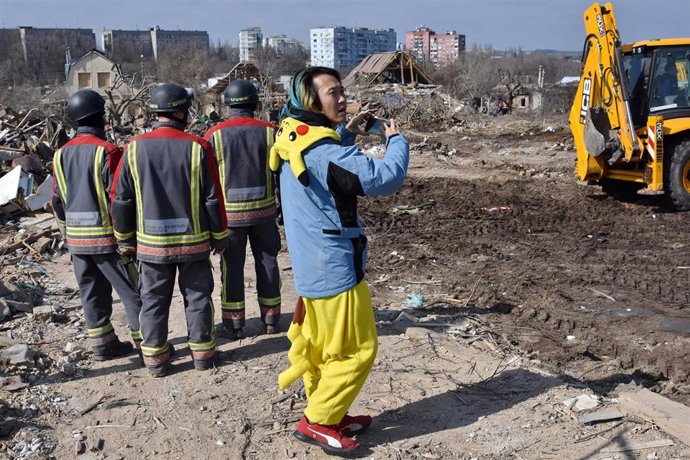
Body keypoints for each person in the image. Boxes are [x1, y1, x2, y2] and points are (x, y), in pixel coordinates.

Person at [269, 67, 409, 454]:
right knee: (358, 349)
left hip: (310, 261)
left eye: (342, 91)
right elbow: (385, 178)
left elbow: (322, 168)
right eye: (333, 93)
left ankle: (329, 408)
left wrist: (348, 131)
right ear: (311, 101)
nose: (343, 99)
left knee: (323, 348)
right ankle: (317, 422)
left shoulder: (291, 133)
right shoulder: (326, 152)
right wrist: (395, 139)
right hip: (333, 265)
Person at [111, 83, 228, 377]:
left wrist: (124, 239)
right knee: (198, 298)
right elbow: (213, 198)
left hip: (151, 247)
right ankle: (203, 354)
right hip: (194, 244)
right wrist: (219, 234)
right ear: (179, 111)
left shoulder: (133, 149)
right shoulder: (197, 147)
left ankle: (155, 360)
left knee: (152, 300)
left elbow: (121, 198)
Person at [51, 89, 142, 360]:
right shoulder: (109, 151)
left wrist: (68, 232)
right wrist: (128, 236)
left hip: (77, 241)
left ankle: (103, 345)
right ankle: (147, 346)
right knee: (133, 292)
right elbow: (118, 198)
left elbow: (57, 200)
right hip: (108, 239)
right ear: (102, 117)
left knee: (91, 293)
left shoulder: (60, 155)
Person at [204, 79, 281, 340]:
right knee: (268, 263)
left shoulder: (214, 135)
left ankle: (233, 324)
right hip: (265, 214)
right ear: (255, 104)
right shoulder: (271, 131)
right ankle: (271, 320)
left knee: (232, 268)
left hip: (229, 219)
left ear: (227, 105)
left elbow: (207, 182)